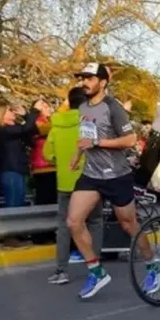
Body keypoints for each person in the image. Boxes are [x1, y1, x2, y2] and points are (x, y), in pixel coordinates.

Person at [66, 62, 157, 299]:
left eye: (90, 78)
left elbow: (130, 140)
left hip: (117, 176)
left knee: (129, 225)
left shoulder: (113, 107)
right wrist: (77, 156)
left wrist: (97, 143)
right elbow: (85, 136)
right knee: (74, 221)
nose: (84, 82)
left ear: (103, 82)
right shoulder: (84, 107)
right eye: (82, 78)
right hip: (91, 175)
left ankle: (153, 264)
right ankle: (96, 271)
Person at [43, 87, 105, 284]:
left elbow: (47, 154)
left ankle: (61, 271)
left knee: (63, 226)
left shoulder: (56, 125)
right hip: (90, 181)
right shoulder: (89, 123)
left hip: (65, 182)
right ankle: (95, 268)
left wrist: (61, 161)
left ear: (68, 103)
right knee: (94, 222)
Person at [0, 101, 43, 209]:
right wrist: (34, 111)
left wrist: (26, 115)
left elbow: (33, 130)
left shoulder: (15, 129)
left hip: (18, 169)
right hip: (10, 170)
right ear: (1, 115)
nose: (13, 112)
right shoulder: (2, 131)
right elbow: (25, 129)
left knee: (19, 203)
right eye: (9, 110)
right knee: (14, 204)